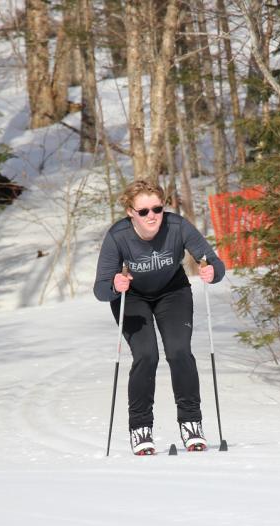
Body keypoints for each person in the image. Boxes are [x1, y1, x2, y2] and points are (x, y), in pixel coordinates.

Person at [94, 179, 225, 455]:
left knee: (179, 351)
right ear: (131, 212)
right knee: (146, 355)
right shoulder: (118, 236)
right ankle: (141, 428)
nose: (152, 216)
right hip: (132, 297)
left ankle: (191, 423)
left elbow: (214, 262)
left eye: (157, 208)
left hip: (172, 292)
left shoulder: (177, 227)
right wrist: (114, 285)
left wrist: (212, 271)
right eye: (144, 211)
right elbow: (100, 289)